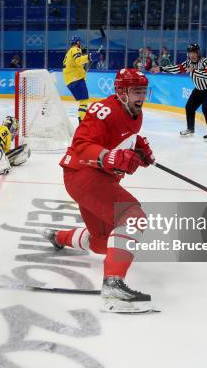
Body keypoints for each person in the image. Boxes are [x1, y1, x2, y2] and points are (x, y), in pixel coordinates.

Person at [42, 68, 156, 313]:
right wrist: (111, 156)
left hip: (97, 179)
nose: (142, 96)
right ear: (122, 92)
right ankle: (113, 286)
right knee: (133, 218)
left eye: (143, 91)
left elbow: (126, 135)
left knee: (102, 242)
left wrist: (139, 147)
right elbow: (82, 144)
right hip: (84, 175)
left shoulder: (136, 113)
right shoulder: (101, 110)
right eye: (137, 91)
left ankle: (58, 237)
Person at [152, 43, 207, 141]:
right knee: (189, 107)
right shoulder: (188, 63)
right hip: (198, 89)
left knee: (206, 110)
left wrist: (194, 70)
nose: (192, 55)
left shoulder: (204, 61)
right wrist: (161, 69)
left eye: (194, 52)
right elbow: (177, 68)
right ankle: (190, 129)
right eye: (191, 53)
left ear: (198, 53)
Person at [62, 36, 97, 122]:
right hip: (76, 79)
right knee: (84, 100)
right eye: (79, 43)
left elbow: (74, 65)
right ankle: (82, 120)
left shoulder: (68, 53)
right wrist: (89, 57)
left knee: (82, 100)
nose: (80, 44)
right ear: (77, 42)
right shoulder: (75, 49)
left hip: (69, 80)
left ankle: (82, 119)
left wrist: (83, 69)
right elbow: (78, 60)